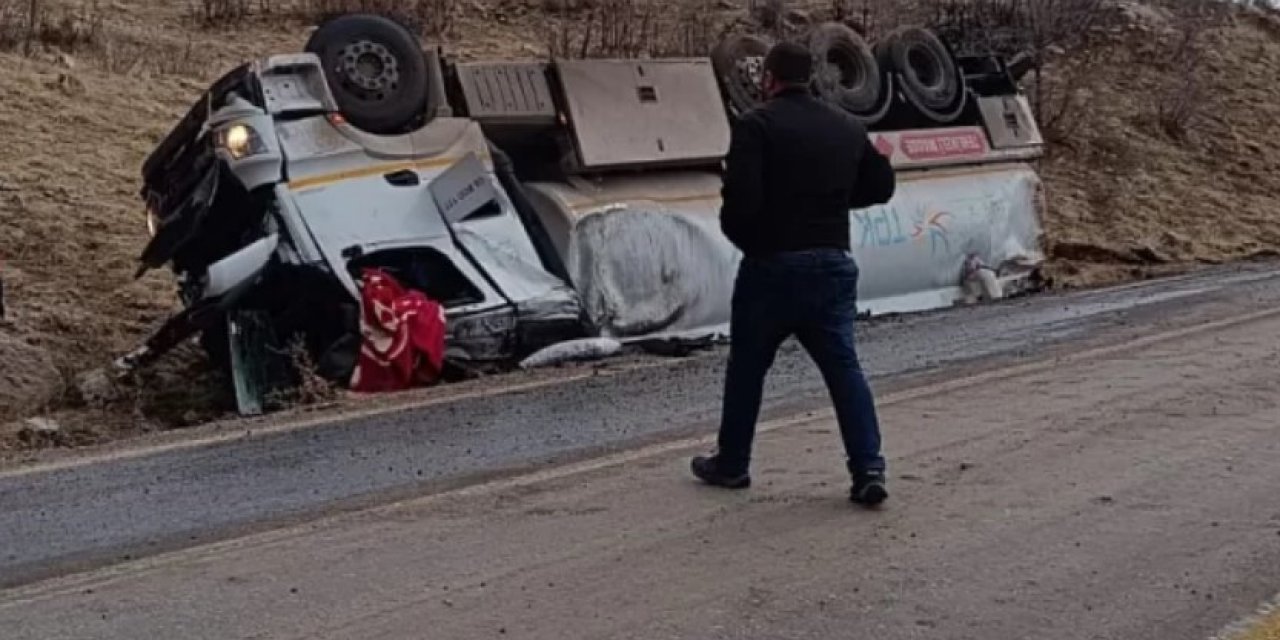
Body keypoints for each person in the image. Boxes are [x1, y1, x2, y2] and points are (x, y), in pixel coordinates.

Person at [690, 41, 897, 507]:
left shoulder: (756, 125)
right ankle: (868, 469)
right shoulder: (847, 125)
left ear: (769, 78)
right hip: (832, 263)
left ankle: (733, 464)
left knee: (747, 368)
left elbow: (741, 204)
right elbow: (881, 186)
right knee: (844, 368)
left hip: (772, 266)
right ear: (812, 78)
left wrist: (753, 242)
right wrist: (835, 201)